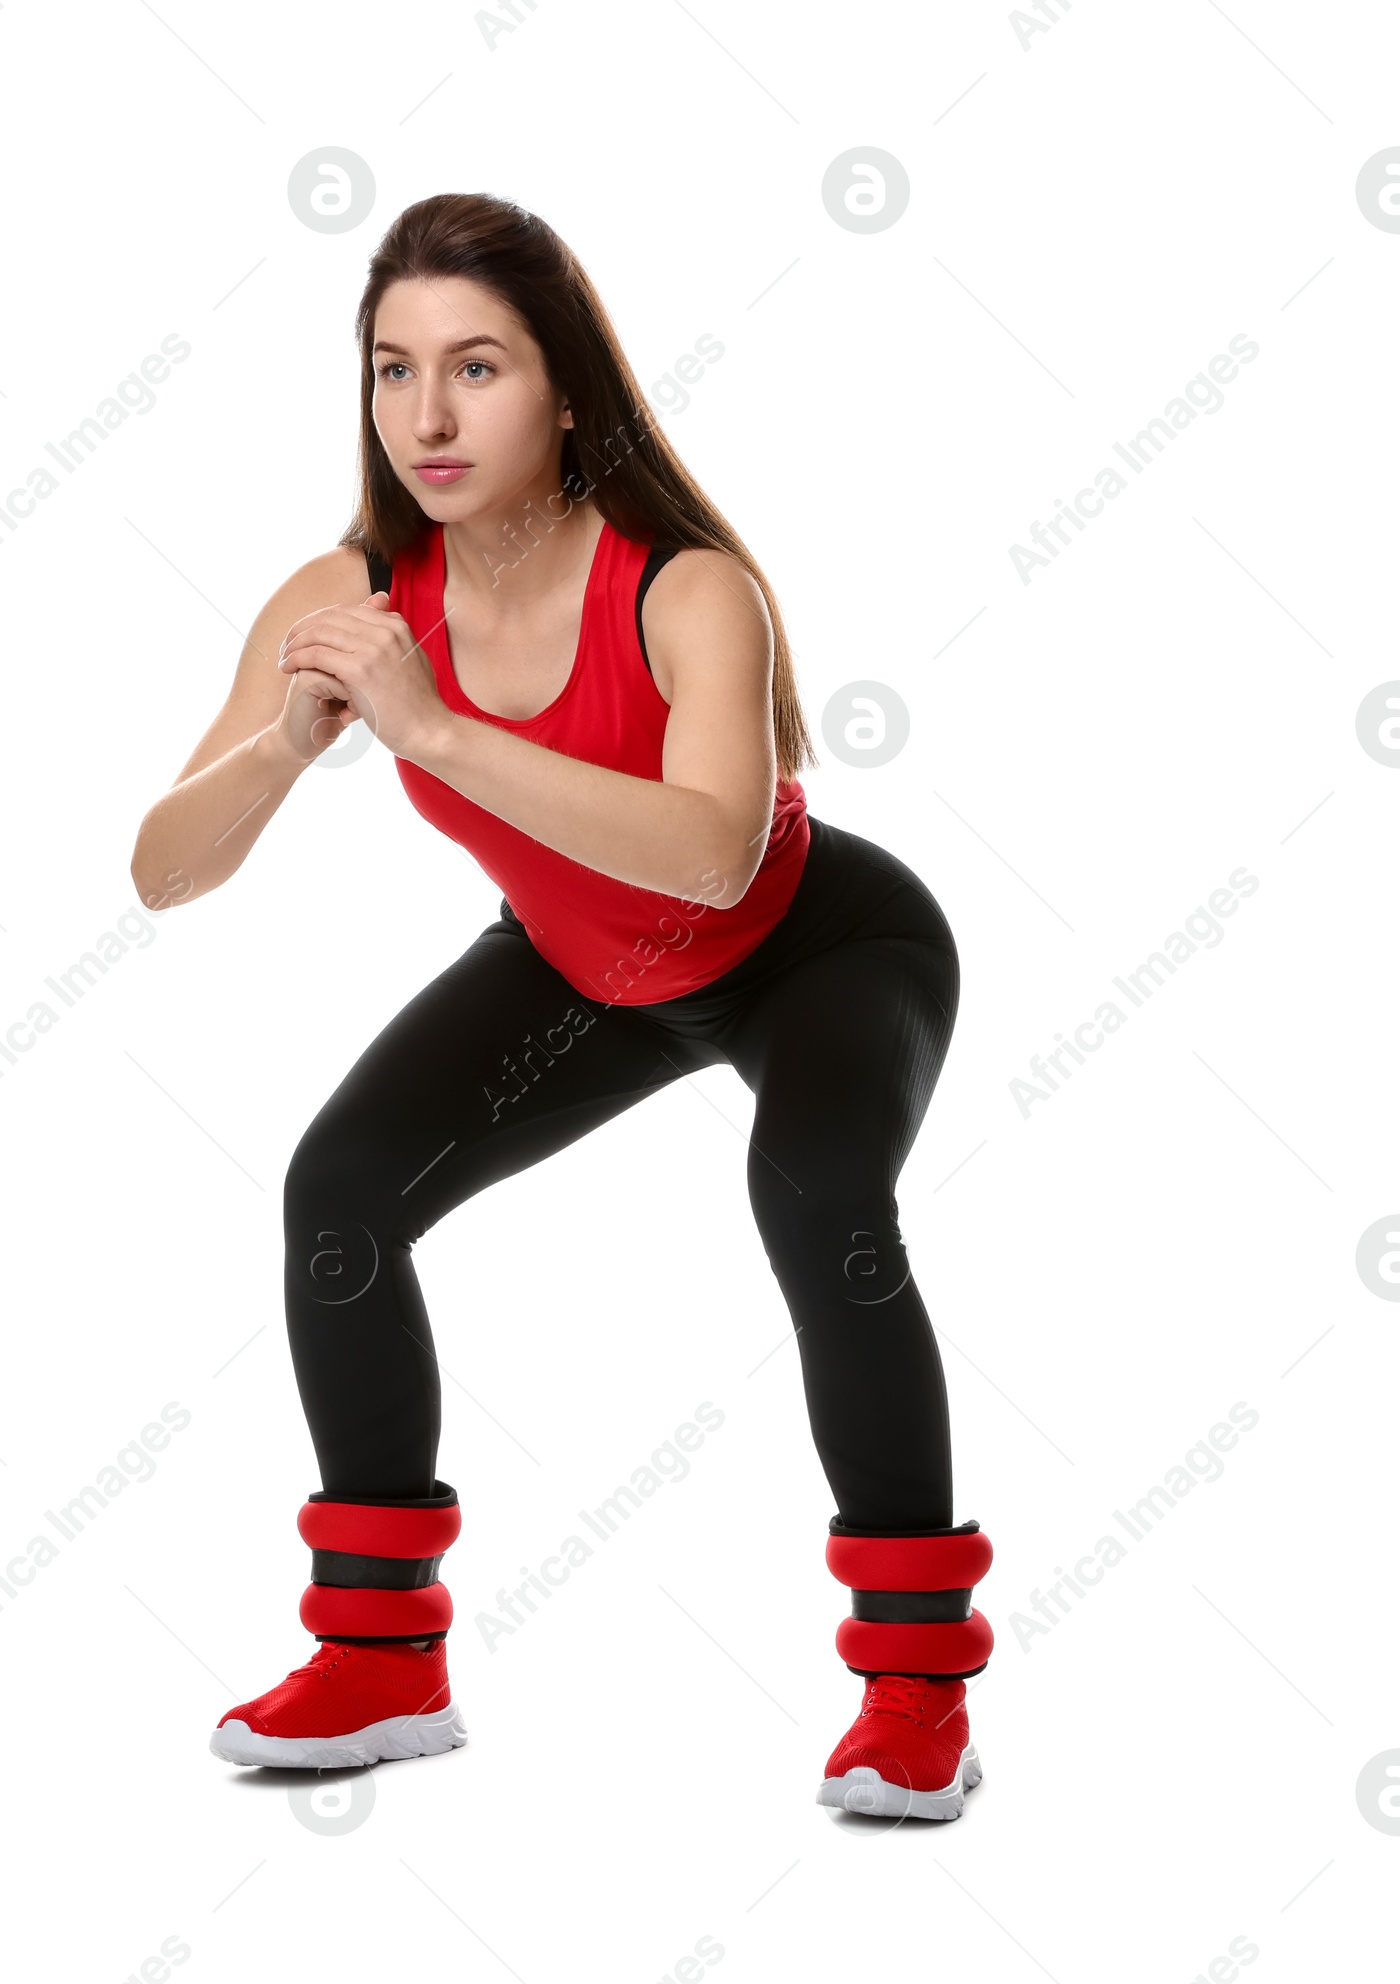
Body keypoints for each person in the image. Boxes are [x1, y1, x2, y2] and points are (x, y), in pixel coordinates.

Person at [130, 192, 993, 1822]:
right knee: (342, 1193)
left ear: (566, 392)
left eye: (478, 367)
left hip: (819, 948)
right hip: (582, 968)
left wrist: (436, 734)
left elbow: (709, 847)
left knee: (816, 1196)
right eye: (393, 370)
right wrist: (294, 741)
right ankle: (384, 1663)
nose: (429, 416)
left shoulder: (687, 587)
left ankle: (916, 1686)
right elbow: (163, 872)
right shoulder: (353, 588)